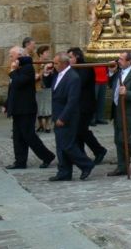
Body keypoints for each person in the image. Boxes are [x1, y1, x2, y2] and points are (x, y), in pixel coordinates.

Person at [3, 46, 55, 170]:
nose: (10, 58)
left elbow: (19, 83)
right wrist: (6, 104)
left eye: (12, 55)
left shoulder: (27, 68)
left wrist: (12, 71)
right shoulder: (19, 68)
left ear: (19, 56)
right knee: (18, 136)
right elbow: (12, 89)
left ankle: (47, 156)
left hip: (26, 108)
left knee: (29, 136)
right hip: (17, 108)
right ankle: (20, 161)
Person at [46, 52, 95, 181]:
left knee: (67, 145)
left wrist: (63, 117)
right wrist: (46, 73)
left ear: (63, 63)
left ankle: (86, 164)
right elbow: (49, 86)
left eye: (56, 63)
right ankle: (64, 171)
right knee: (60, 146)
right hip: (58, 114)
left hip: (67, 116)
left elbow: (72, 100)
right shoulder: (58, 74)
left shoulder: (73, 77)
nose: (54, 65)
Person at [67, 48, 107, 165]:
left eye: (70, 57)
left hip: (85, 105)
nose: (69, 60)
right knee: (78, 131)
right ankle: (81, 155)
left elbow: (79, 83)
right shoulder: (74, 68)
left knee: (81, 130)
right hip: (77, 105)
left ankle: (99, 150)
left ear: (77, 57)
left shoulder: (85, 67)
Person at [34, 45, 53, 133]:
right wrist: (42, 71)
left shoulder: (50, 63)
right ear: (41, 54)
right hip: (38, 87)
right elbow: (35, 75)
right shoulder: (36, 63)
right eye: (46, 52)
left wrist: (49, 71)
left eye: (48, 52)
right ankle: (40, 124)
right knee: (39, 107)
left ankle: (48, 125)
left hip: (48, 87)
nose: (48, 54)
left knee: (48, 107)